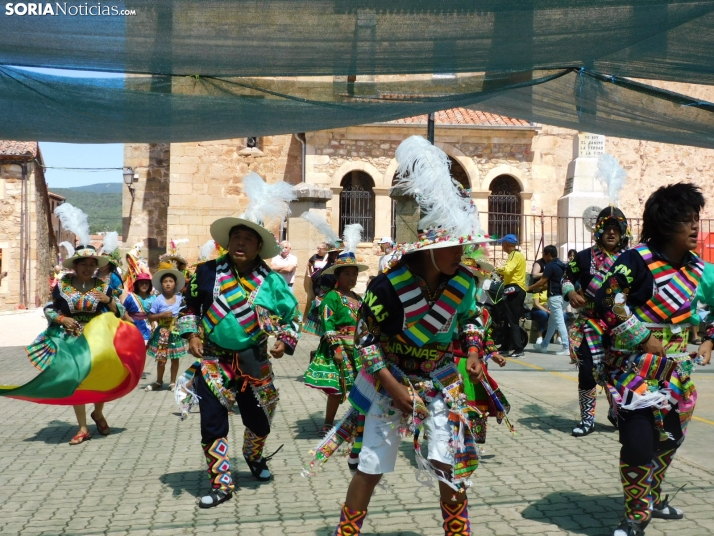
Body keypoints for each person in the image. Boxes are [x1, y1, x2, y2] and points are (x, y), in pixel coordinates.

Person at [321, 135, 489, 536]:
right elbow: (365, 340)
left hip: (440, 382)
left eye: (461, 246)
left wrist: (474, 350)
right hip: (390, 382)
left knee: (449, 462)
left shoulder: (463, 283)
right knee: (371, 467)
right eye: (451, 247)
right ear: (428, 247)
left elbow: (473, 318)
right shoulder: (388, 287)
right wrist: (392, 387)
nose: (459, 254)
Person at [594, 184, 713, 536]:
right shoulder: (635, 261)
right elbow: (607, 300)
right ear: (664, 224)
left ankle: (652, 495)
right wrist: (642, 337)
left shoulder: (702, 272)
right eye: (686, 221)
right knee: (638, 443)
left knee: (668, 441)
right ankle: (636, 515)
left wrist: (708, 340)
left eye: (697, 219)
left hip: (678, 374)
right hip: (634, 374)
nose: (695, 227)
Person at [176, 172, 300, 509]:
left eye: (248, 239)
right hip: (214, 363)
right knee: (212, 424)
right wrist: (190, 334)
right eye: (237, 238)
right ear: (228, 242)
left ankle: (253, 455)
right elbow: (187, 306)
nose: (241, 244)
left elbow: (293, 317)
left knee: (259, 422)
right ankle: (221, 484)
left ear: (259, 246)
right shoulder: (205, 273)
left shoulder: (271, 282)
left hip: (253, 363)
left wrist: (284, 341)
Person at [562, 207, 630, 437]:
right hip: (591, 324)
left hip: (621, 325)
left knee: (618, 371)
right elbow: (566, 278)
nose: (611, 233)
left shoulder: (631, 258)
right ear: (598, 232)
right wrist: (571, 293)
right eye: (607, 229)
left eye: (616, 229)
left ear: (622, 232)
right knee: (588, 371)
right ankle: (587, 419)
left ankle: (616, 411)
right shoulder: (582, 257)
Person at [304, 225, 367, 437]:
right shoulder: (332, 297)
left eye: (354, 274)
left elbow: (364, 324)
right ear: (338, 276)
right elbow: (327, 324)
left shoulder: (358, 299)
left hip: (357, 348)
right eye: (347, 273)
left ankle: (358, 422)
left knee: (360, 387)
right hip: (337, 347)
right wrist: (337, 348)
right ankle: (328, 423)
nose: (352, 277)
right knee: (337, 387)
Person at [145, 269, 187, 391]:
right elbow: (150, 316)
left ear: (175, 284)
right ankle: (158, 381)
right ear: (161, 284)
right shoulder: (158, 300)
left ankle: (172, 382)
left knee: (175, 358)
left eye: (170, 281)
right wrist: (161, 315)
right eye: (165, 281)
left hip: (176, 333)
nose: (168, 284)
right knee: (161, 359)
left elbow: (184, 313)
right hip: (162, 333)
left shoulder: (180, 299)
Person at [528, 245, 569, 356]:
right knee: (552, 322)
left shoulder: (550, 266)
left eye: (544, 255)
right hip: (564, 296)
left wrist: (528, 288)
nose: (543, 257)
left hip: (555, 297)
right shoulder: (561, 265)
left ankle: (566, 347)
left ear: (549, 255)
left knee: (559, 322)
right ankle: (544, 345)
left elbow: (542, 281)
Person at [495, 234, 527, 357]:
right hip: (514, 289)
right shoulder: (517, 255)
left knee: (512, 320)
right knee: (506, 319)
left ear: (507, 244)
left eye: (503, 244)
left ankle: (519, 348)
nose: (502, 246)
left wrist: (495, 269)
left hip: (515, 290)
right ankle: (505, 346)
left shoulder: (514, 255)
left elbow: (508, 270)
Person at [122, 272, 156, 344]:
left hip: (147, 326)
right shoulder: (131, 297)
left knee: (145, 347)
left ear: (149, 285)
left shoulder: (153, 298)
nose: (144, 285)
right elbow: (123, 309)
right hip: (134, 326)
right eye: (141, 283)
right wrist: (127, 317)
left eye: (146, 283)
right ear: (137, 285)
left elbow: (153, 313)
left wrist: (153, 322)